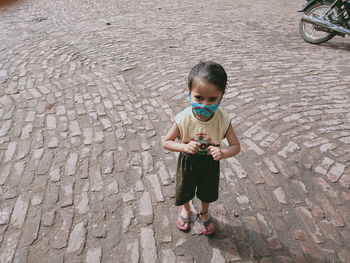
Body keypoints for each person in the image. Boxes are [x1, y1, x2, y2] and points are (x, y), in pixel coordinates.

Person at [162, 61, 241, 235]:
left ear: (221, 96)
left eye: (212, 99)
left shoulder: (223, 120)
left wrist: (223, 152)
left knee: (207, 192)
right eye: (198, 98)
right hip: (187, 162)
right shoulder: (183, 118)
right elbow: (166, 141)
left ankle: (204, 212)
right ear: (189, 93)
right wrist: (183, 147)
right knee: (185, 189)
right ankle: (186, 209)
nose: (205, 105)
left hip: (211, 164)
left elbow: (236, 146)